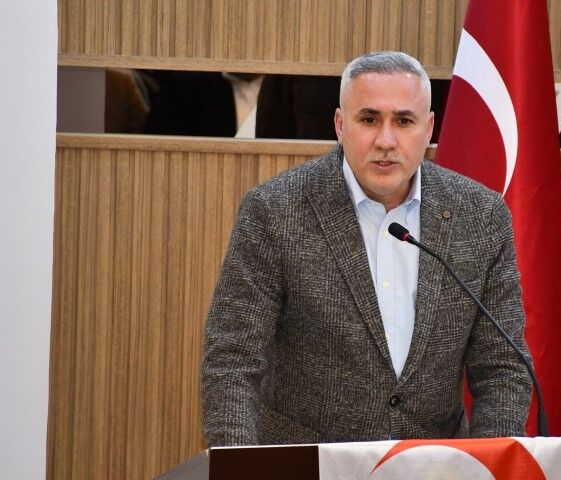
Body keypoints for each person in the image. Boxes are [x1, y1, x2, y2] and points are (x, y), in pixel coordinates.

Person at [200, 51, 532, 447]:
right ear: (340, 125)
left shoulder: (481, 216)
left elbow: (502, 370)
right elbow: (233, 361)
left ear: (429, 128)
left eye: (404, 121)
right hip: (310, 463)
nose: (386, 141)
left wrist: (488, 467)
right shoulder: (275, 211)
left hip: (433, 465)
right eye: (369, 119)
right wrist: (239, 465)